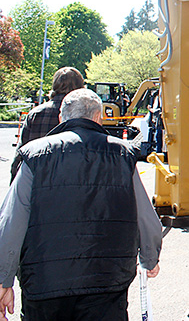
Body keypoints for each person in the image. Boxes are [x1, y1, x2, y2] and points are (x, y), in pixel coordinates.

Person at [0, 88, 162, 321]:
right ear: (99, 117)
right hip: (107, 283)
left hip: (45, 282)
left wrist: (4, 279)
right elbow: (144, 215)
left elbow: (11, 221)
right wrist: (149, 256)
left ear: (61, 118)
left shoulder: (34, 154)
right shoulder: (122, 154)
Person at [11, 66, 85, 181]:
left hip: (36, 180)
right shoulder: (84, 114)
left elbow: (21, 155)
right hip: (72, 182)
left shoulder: (35, 114)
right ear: (80, 87)